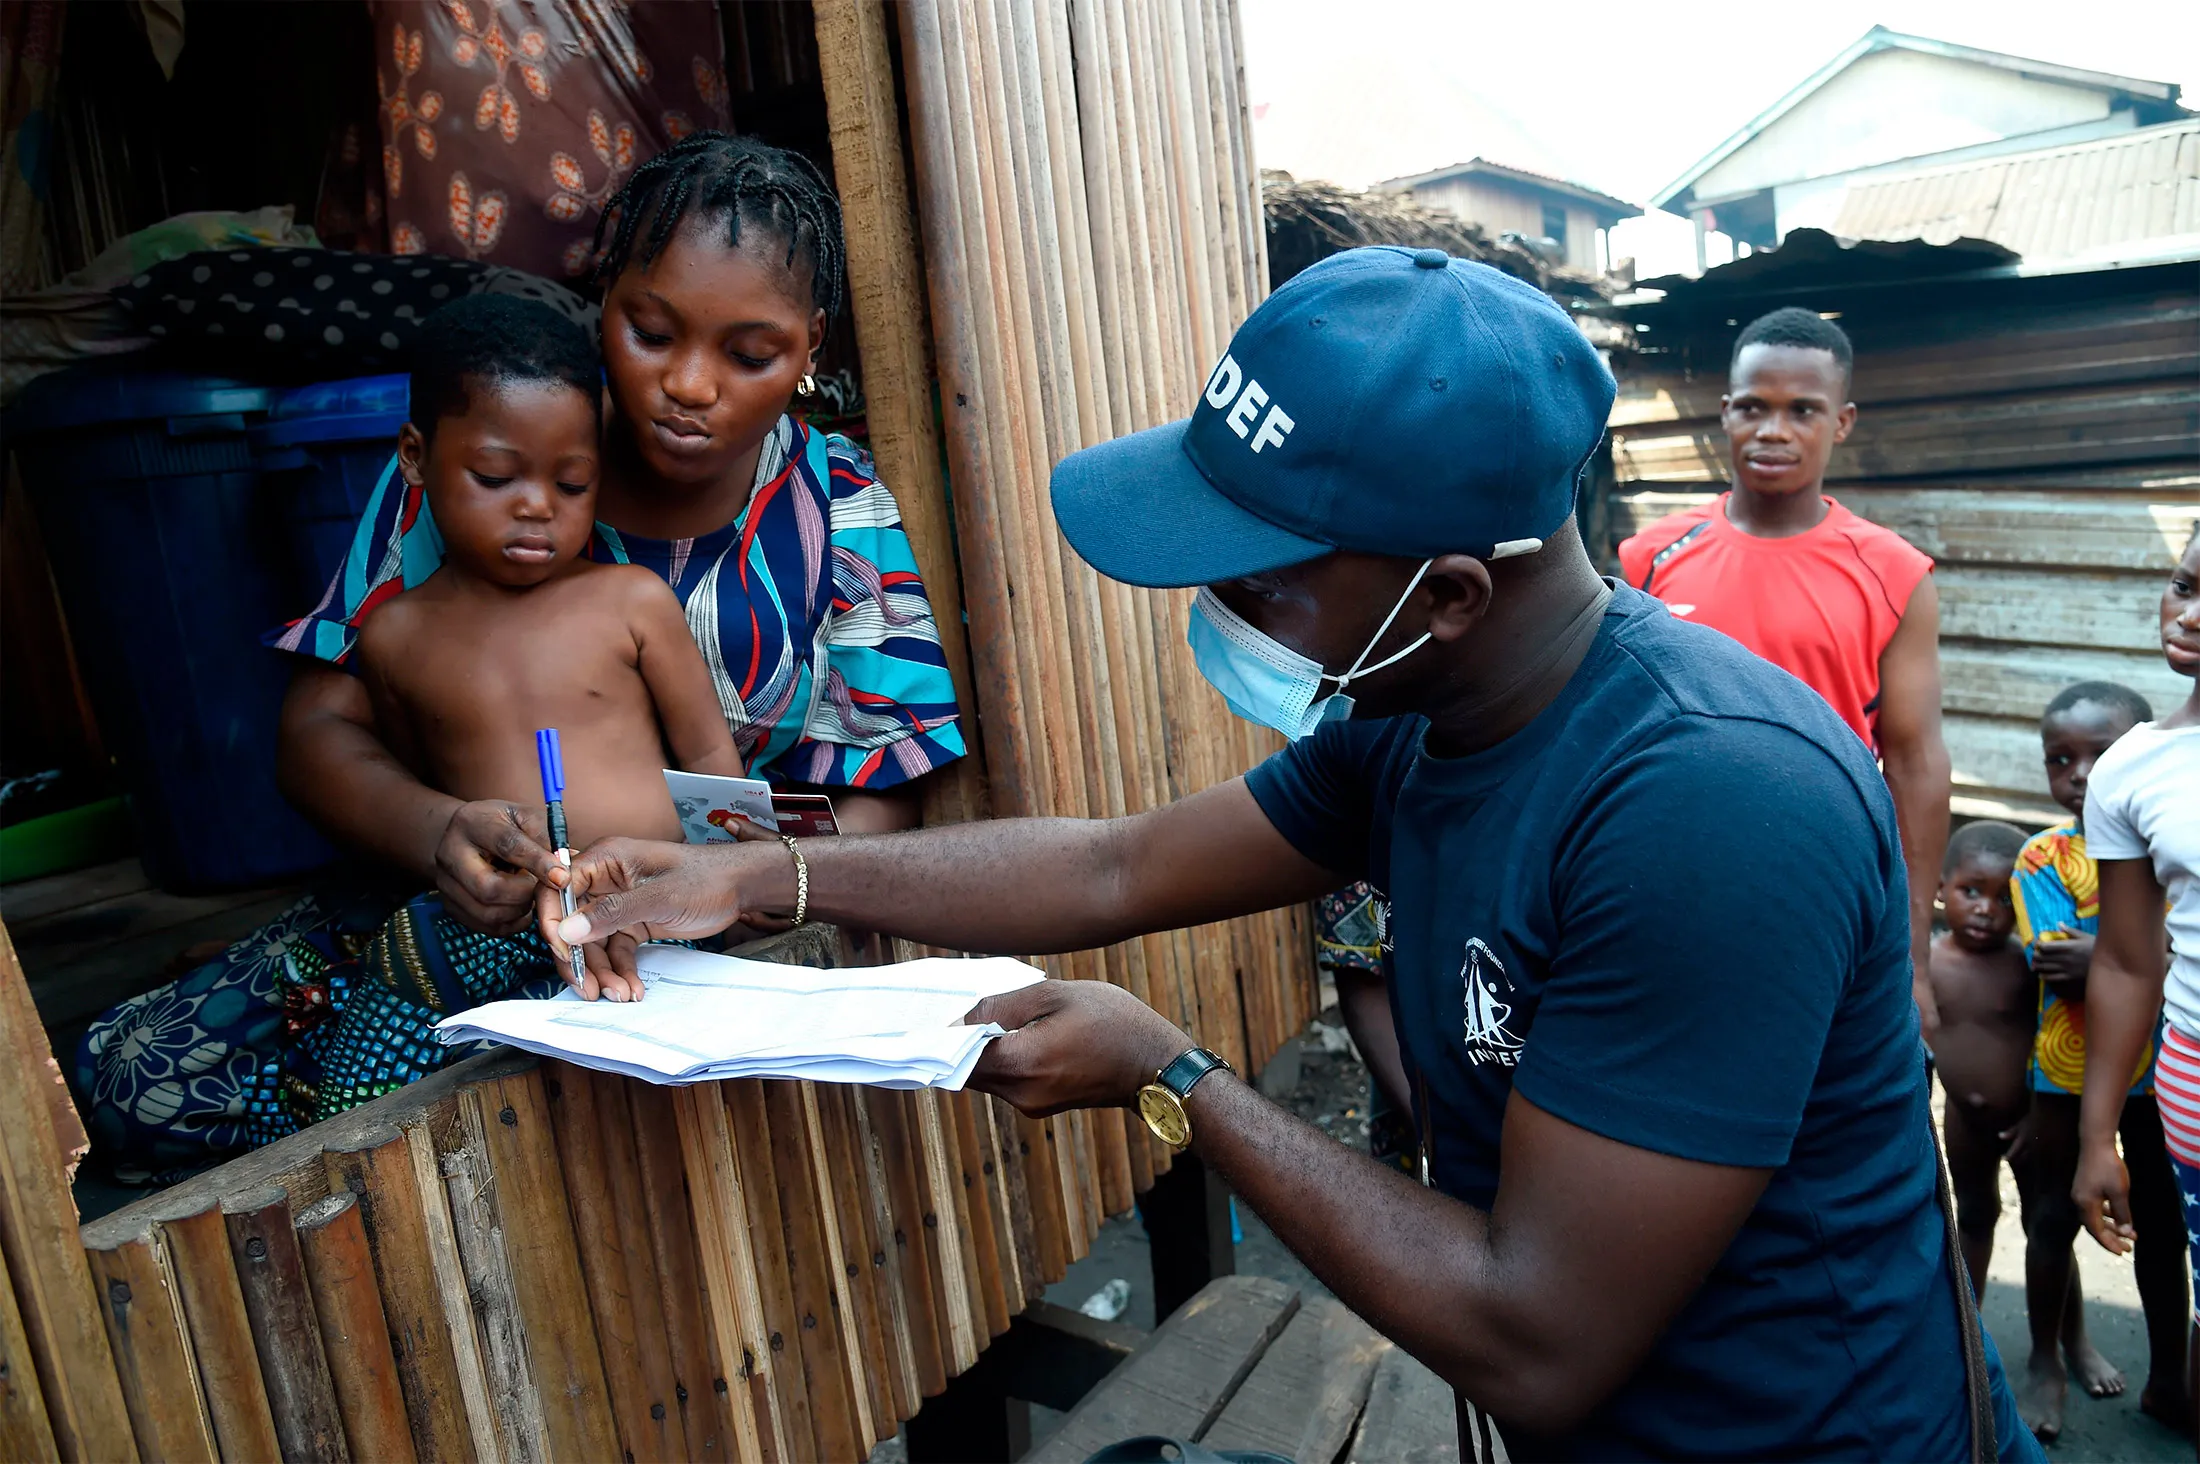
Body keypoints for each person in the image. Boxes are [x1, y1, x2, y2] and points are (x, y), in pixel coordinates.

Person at [544, 247, 2041, 1459]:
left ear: (1450, 592)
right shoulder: (1429, 705)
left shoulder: (1706, 807)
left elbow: (1540, 1337)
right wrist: (761, 876)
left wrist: (1178, 1084)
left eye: (1255, 578)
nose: (1212, 605)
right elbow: (1121, 869)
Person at [76, 132, 966, 1181]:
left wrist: (738, 895)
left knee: (537, 1132)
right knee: (132, 1086)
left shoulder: (838, 510)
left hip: (714, 938)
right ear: (604, 301)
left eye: (750, 353)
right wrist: (437, 829)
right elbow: (318, 731)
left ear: (809, 347)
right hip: (457, 908)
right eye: (649, 330)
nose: (688, 384)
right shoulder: (494, 445)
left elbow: (886, 794)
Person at [1617, 307, 1951, 1036]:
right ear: (1725, 413)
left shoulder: (1892, 572)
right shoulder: (1650, 558)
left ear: (1844, 422)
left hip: (1824, 885)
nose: (1773, 430)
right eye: (1752, 407)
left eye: (1803, 410)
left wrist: (1914, 956)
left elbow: (1917, 762)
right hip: (1672, 880)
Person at [359, 293, 743, 852]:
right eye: (494, 477)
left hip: (662, 906)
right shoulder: (393, 639)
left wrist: (736, 874)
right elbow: (423, 793)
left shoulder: (631, 602)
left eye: (571, 485)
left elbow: (709, 759)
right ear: (415, 455)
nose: (538, 507)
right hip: (507, 923)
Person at [2008, 680, 2186, 1441]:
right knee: (2051, 1218)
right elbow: (2062, 962)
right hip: (2067, 1072)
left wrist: (2122, 952)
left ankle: (2173, 1375)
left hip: (2161, 1071)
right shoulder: (2042, 856)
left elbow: (2131, 954)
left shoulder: (2171, 832)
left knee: (2163, 1229)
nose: (2079, 775)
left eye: (2099, 755)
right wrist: (2141, 950)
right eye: (2061, 759)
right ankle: (2045, 1360)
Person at [2073, 525, 2200, 1449]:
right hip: (2190, 1086)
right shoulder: (2133, 767)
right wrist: (2097, 1137)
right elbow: (2124, 961)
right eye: (2184, 583)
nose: (2188, 614)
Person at [1929, 820, 2030, 1294]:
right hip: (1964, 1120)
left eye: (2005, 898)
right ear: (1940, 888)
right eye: (1971, 891)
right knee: (1972, 1216)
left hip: (2028, 1121)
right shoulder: (1925, 964)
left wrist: (2043, 1114)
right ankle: (1971, 1331)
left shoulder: (2024, 963)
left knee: (2047, 1227)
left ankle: (2060, 1342)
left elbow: (2050, 1038)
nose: (1986, 910)